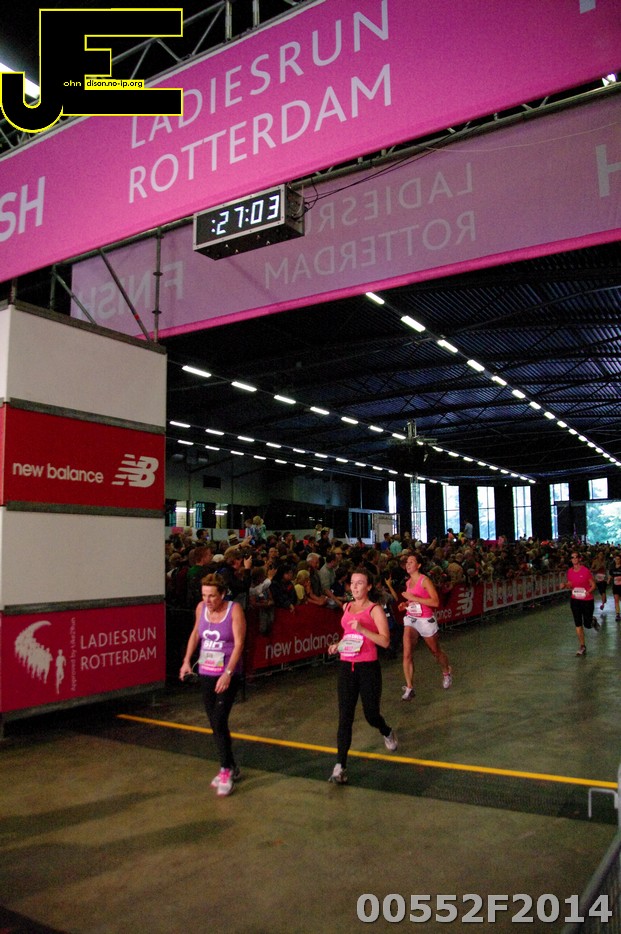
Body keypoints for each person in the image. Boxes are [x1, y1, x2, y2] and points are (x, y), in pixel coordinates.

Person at [326, 568, 398, 785]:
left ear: (368, 587)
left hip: (368, 667)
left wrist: (363, 629)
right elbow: (349, 635)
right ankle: (340, 765)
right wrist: (338, 645)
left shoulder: (375, 610)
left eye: (360, 583)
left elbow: (385, 641)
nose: (355, 587)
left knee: (371, 714)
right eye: (353, 582)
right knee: (345, 717)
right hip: (347, 666)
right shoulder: (347, 606)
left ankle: (386, 730)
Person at [179, 574, 246, 796]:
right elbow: (195, 634)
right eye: (204, 595)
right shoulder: (201, 608)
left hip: (227, 673)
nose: (207, 600)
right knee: (215, 724)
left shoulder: (234, 610)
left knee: (219, 719)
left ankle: (225, 770)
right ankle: (232, 765)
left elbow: (239, 644)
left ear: (223, 594)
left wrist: (228, 673)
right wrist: (186, 661)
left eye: (212, 596)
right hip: (206, 671)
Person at [399, 553, 452, 700]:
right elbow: (412, 601)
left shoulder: (425, 581)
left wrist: (413, 598)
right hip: (411, 618)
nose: (408, 564)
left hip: (425, 619)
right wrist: (405, 604)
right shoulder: (408, 582)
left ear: (419, 565)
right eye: (407, 562)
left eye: (411, 562)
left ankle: (446, 671)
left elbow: (435, 602)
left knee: (435, 651)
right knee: (407, 653)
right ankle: (409, 687)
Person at [564, 550, 598, 656]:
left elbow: (593, 585)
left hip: (587, 600)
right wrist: (565, 585)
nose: (574, 559)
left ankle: (592, 620)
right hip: (575, 600)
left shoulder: (585, 571)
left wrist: (588, 592)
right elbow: (570, 584)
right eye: (572, 557)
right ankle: (582, 646)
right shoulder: (570, 571)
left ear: (579, 559)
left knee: (587, 625)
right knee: (578, 623)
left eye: (576, 557)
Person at [609, 553, 621, 622]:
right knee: (616, 600)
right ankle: (617, 614)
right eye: (616, 559)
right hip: (615, 586)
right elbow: (611, 575)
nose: (617, 560)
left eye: (618, 559)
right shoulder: (612, 568)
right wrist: (608, 580)